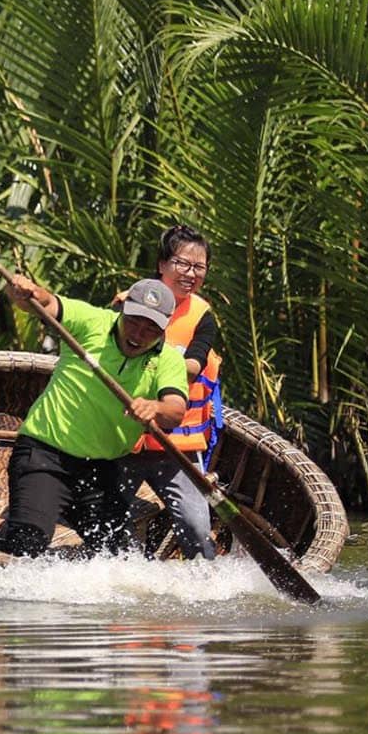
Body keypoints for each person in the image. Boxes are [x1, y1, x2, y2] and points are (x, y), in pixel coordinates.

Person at [0, 275, 189, 557]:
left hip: (101, 471)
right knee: (28, 544)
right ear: (123, 310)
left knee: (118, 558)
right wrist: (28, 293)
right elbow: (45, 303)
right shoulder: (92, 321)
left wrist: (155, 408)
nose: (138, 333)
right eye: (133, 320)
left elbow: (175, 409)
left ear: (164, 328)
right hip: (45, 455)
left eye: (151, 328)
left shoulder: (168, 359)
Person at [118, 226, 225, 559]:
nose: (191, 274)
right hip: (124, 438)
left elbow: (194, 363)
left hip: (176, 443)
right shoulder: (127, 303)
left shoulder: (202, 316)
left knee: (196, 528)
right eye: (183, 264)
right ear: (162, 264)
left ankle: (204, 583)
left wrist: (160, 358)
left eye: (199, 267)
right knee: (107, 520)